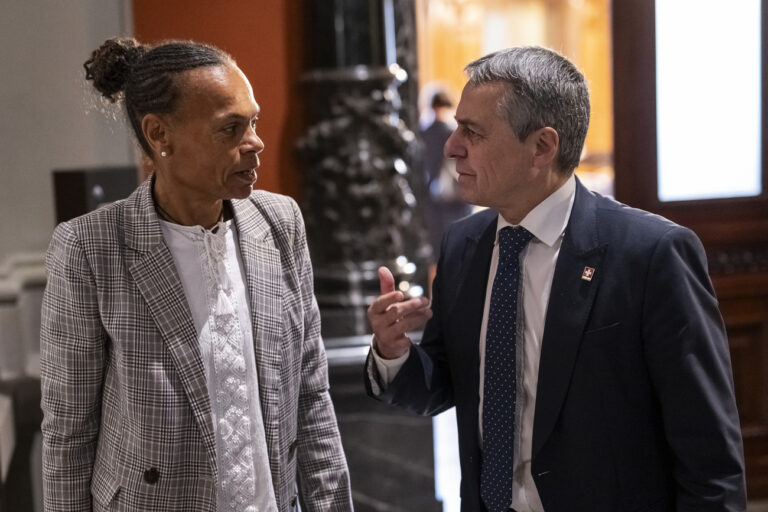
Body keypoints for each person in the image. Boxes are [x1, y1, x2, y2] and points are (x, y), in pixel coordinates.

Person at [365, 47, 746, 511]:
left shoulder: (650, 254)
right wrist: (395, 353)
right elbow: (445, 382)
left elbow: (709, 456)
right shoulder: (463, 245)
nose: (451, 146)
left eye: (473, 132)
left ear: (542, 147)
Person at [40, 37, 353, 512]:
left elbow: (311, 395)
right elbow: (69, 430)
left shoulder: (280, 222)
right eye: (230, 128)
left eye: (253, 122)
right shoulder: (91, 248)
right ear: (160, 135)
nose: (255, 142)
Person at [421, 90, 474, 261]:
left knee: (435, 248)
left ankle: (435, 277)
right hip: (455, 198)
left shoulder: (423, 134)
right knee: (457, 245)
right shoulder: (452, 134)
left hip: (430, 199)